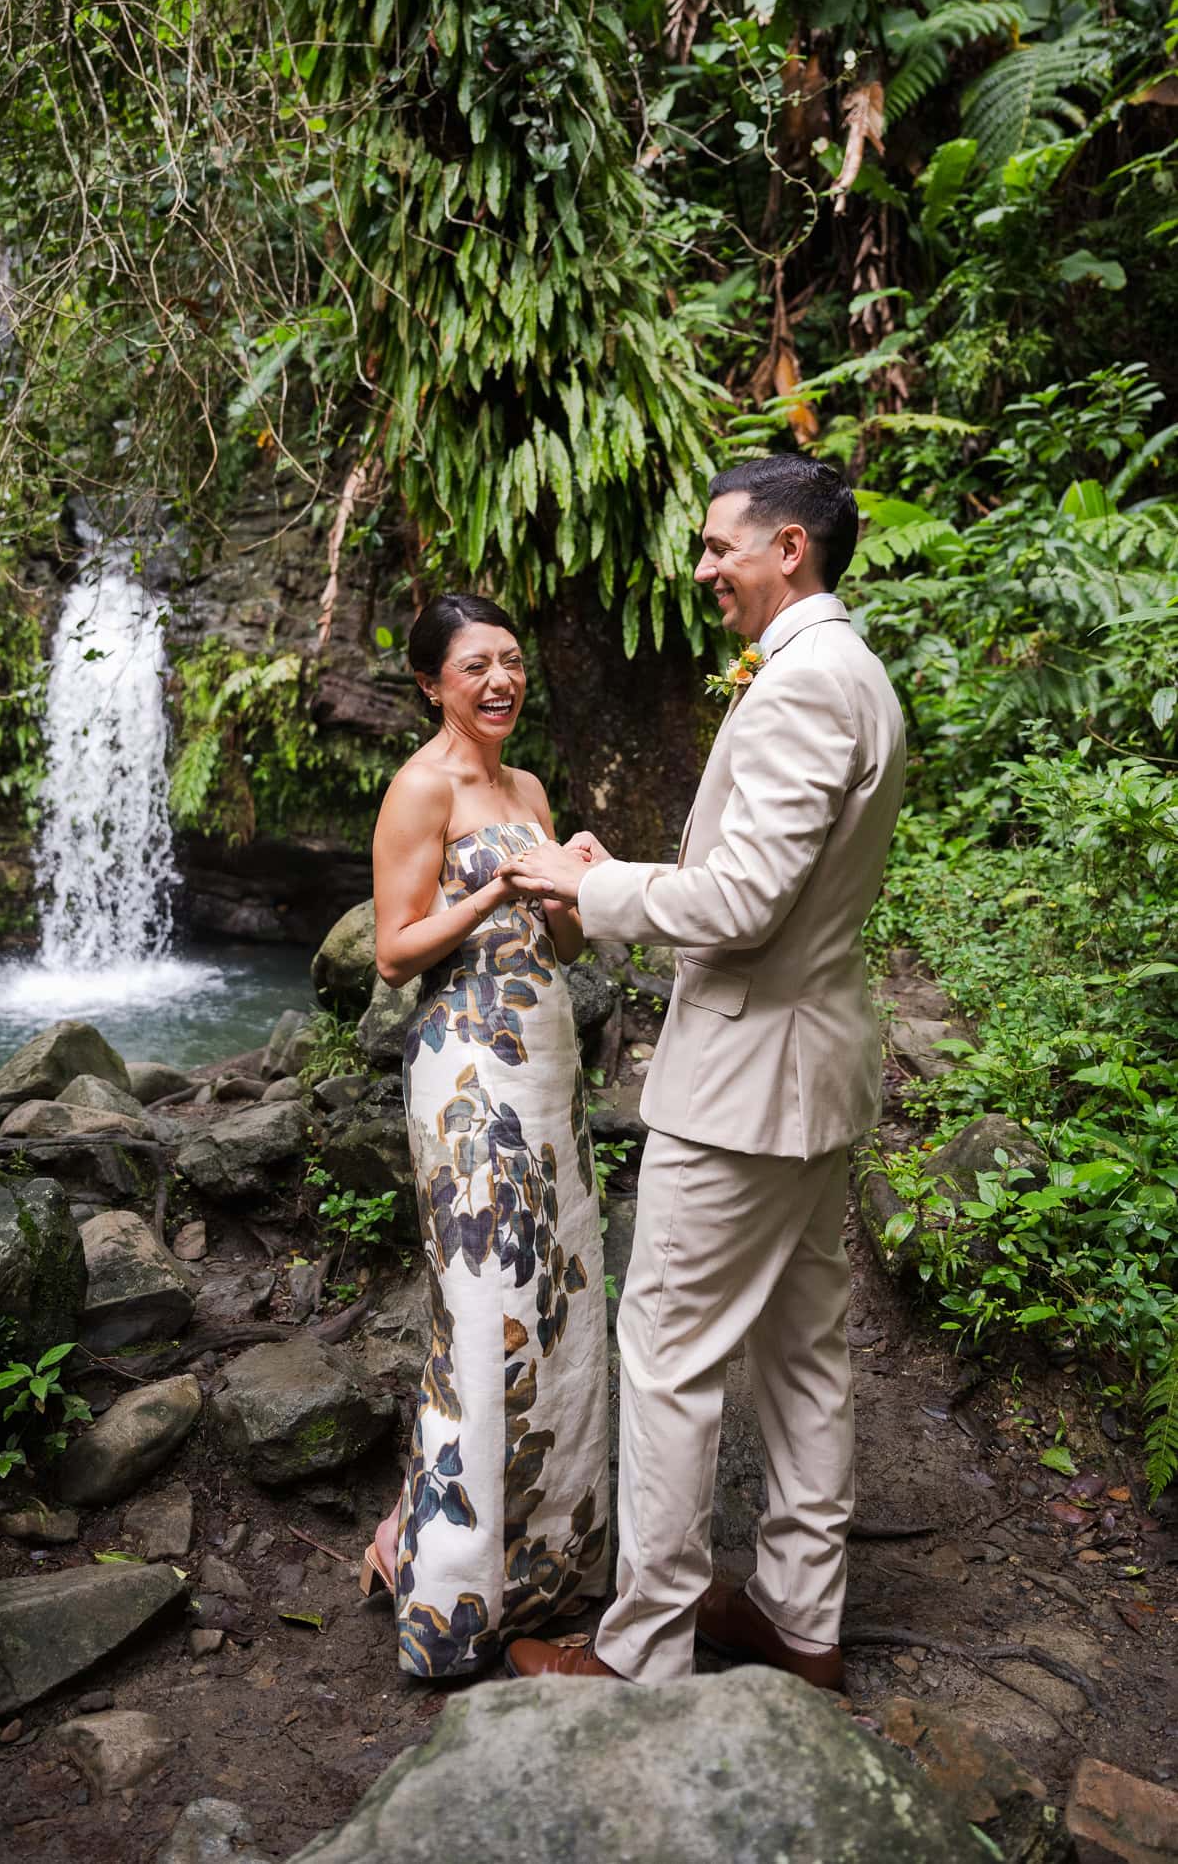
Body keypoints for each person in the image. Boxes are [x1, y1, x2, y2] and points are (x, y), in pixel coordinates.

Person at [500, 455, 905, 1693]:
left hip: (742, 1083)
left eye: (720, 546)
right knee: (801, 1352)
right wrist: (627, 869)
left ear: (791, 547)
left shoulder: (803, 688)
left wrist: (591, 886)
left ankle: (641, 1654)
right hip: (812, 1074)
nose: (704, 568)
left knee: (669, 1353)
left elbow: (739, 902)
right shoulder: (856, 674)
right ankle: (796, 1618)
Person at [361, 591, 608, 1679]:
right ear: (432, 684)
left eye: (512, 661)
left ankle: (542, 1573)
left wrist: (570, 881)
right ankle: (451, 1595)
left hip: (549, 1072)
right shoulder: (423, 786)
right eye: (476, 667)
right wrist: (494, 886)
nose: (501, 680)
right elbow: (394, 949)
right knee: (484, 1321)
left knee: (557, 1319)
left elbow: (559, 946)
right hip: (467, 1080)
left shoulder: (531, 787)